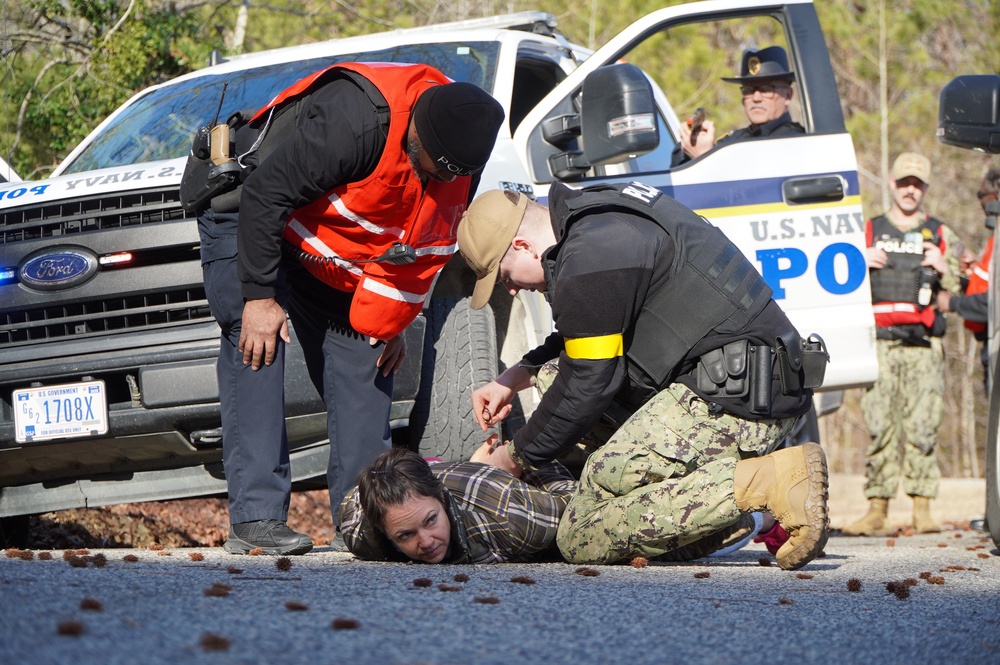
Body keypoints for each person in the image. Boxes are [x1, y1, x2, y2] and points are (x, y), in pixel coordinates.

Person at [195, 63, 504, 555]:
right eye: (435, 166)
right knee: (257, 341)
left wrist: (394, 317)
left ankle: (362, 523)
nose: (440, 177)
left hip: (328, 242)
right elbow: (264, 196)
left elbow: (424, 236)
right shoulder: (356, 122)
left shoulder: (463, 149)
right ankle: (256, 520)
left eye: (452, 173)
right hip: (249, 213)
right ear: (416, 134)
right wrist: (259, 296)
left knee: (367, 355)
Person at [456, 181, 829, 570]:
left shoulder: (590, 256)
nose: (512, 290)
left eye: (504, 277)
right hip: (740, 384)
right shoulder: (597, 220)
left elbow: (586, 383)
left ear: (522, 247)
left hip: (738, 404)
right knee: (551, 377)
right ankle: (729, 510)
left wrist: (510, 459)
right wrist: (514, 377)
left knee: (580, 534)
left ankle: (769, 483)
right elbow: (587, 332)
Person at [843, 152, 963, 536]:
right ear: (892, 184)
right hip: (880, 343)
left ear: (925, 187)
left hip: (924, 345)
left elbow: (964, 290)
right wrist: (858, 262)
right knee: (880, 427)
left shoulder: (942, 234)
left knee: (924, 428)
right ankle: (876, 509)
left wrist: (947, 268)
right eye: (904, 182)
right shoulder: (867, 231)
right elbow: (837, 278)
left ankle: (923, 509)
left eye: (918, 183)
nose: (911, 189)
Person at [338, 447, 576, 563]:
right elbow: (355, 497)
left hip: (524, 480)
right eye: (405, 535)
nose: (427, 542)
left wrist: (515, 458)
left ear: (441, 498)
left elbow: (572, 502)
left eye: (431, 520)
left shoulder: (513, 517)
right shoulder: (358, 530)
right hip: (453, 475)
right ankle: (473, 463)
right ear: (383, 531)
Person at [671, 45, 804, 167]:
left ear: (787, 95)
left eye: (766, 89)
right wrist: (691, 144)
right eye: (748, 90)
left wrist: (704, 158)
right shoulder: (735, 139)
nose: (756, 98)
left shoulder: (797, 142)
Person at [937, 165, 999, 389]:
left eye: (982, 196)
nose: (981, 204)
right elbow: (988, 289)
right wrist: (967, 276)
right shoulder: (995, 241)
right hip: (990, 343)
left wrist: (952, 303)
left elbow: (993, 304)